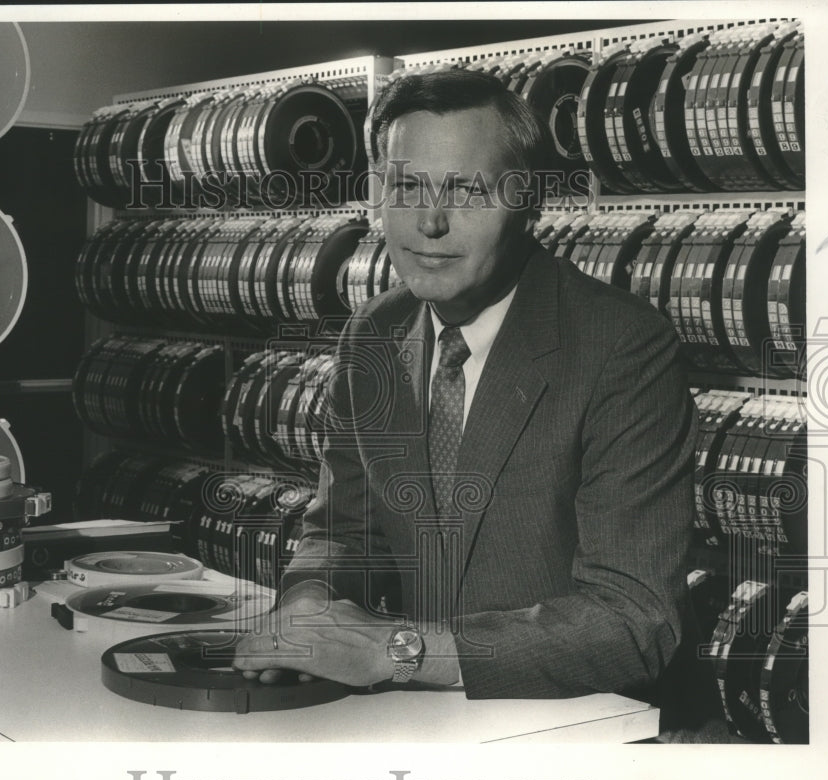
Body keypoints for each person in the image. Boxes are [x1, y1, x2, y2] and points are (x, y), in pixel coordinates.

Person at [233, 70, 699, 709]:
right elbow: (345, 533)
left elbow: (634, 619)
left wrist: (396, 650)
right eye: (405, 186)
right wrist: (312, 606)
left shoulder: (622, 347)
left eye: (466, 189)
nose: (429, 221)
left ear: (529, 201)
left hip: (573, 734)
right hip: (413, 724)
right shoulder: (375, 332)